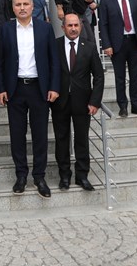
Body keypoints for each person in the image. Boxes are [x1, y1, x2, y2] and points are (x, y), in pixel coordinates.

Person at [0, 0, 60, 198]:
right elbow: (0, 61)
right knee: (17, 135)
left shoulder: (45, 28)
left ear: (33, 6)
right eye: (18, 4)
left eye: (25, 4)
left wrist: (54, 87)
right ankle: (21, 175)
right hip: (15, 89)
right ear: (13, 8)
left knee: (40, 135)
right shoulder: (5, 29)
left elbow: (54, 60)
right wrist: (1, 88)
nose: (22, 8)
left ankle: (39, 177)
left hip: (39, 89)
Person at [51, 13, 104, 191]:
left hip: (83, 102)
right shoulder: (55, 46)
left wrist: (95, 101)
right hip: (60, 102)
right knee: (61, 139)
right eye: (70, 25)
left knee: (82, 139)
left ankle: (82, 176)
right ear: (63, 27)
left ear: (80, 27)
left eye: (76, 25)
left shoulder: (89, 47)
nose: (73, 29)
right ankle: (64, 176)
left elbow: (99, 76)